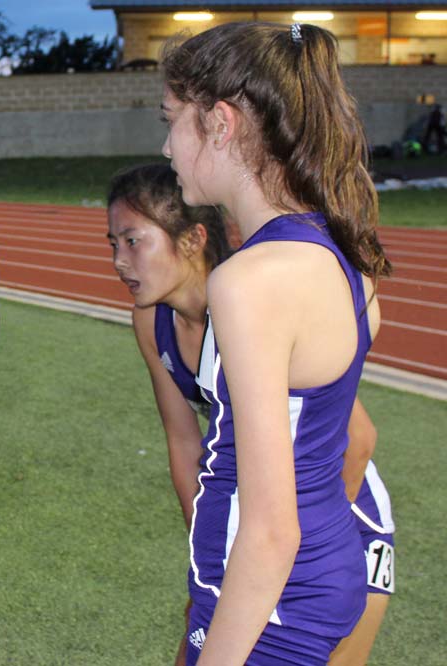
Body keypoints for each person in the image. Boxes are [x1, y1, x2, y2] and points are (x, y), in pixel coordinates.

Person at [159, 21, 392, 664]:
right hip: (311, 577)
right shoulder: (341, 253)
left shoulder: (250, 281)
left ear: (220, 123)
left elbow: (269, 530)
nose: (167, 146)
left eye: (171, 121)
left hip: (273, 603)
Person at [106, 164, 395, 665]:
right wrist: (211, 568)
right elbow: (184, 443)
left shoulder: (255, 302)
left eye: (133, 241)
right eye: (113, 243)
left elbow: (360, 439)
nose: (118, 261)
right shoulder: (152, 320)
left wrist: (294, 558)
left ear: (193, 239)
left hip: (344, 525)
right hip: (260, 528)